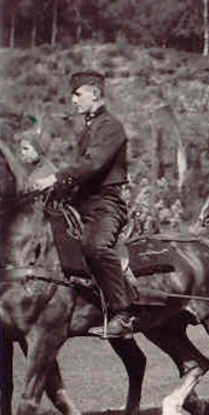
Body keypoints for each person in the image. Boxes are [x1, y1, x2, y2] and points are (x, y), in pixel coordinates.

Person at [31, 71, 134, 339]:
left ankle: (122, 315)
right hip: (82, 202)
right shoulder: (88, 128)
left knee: (95, 247)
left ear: (95, 94)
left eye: (77, 94)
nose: (73, 100)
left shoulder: (110, 126)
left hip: (105, 203)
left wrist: (55, 177)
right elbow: (81, 173)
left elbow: (93, 164)